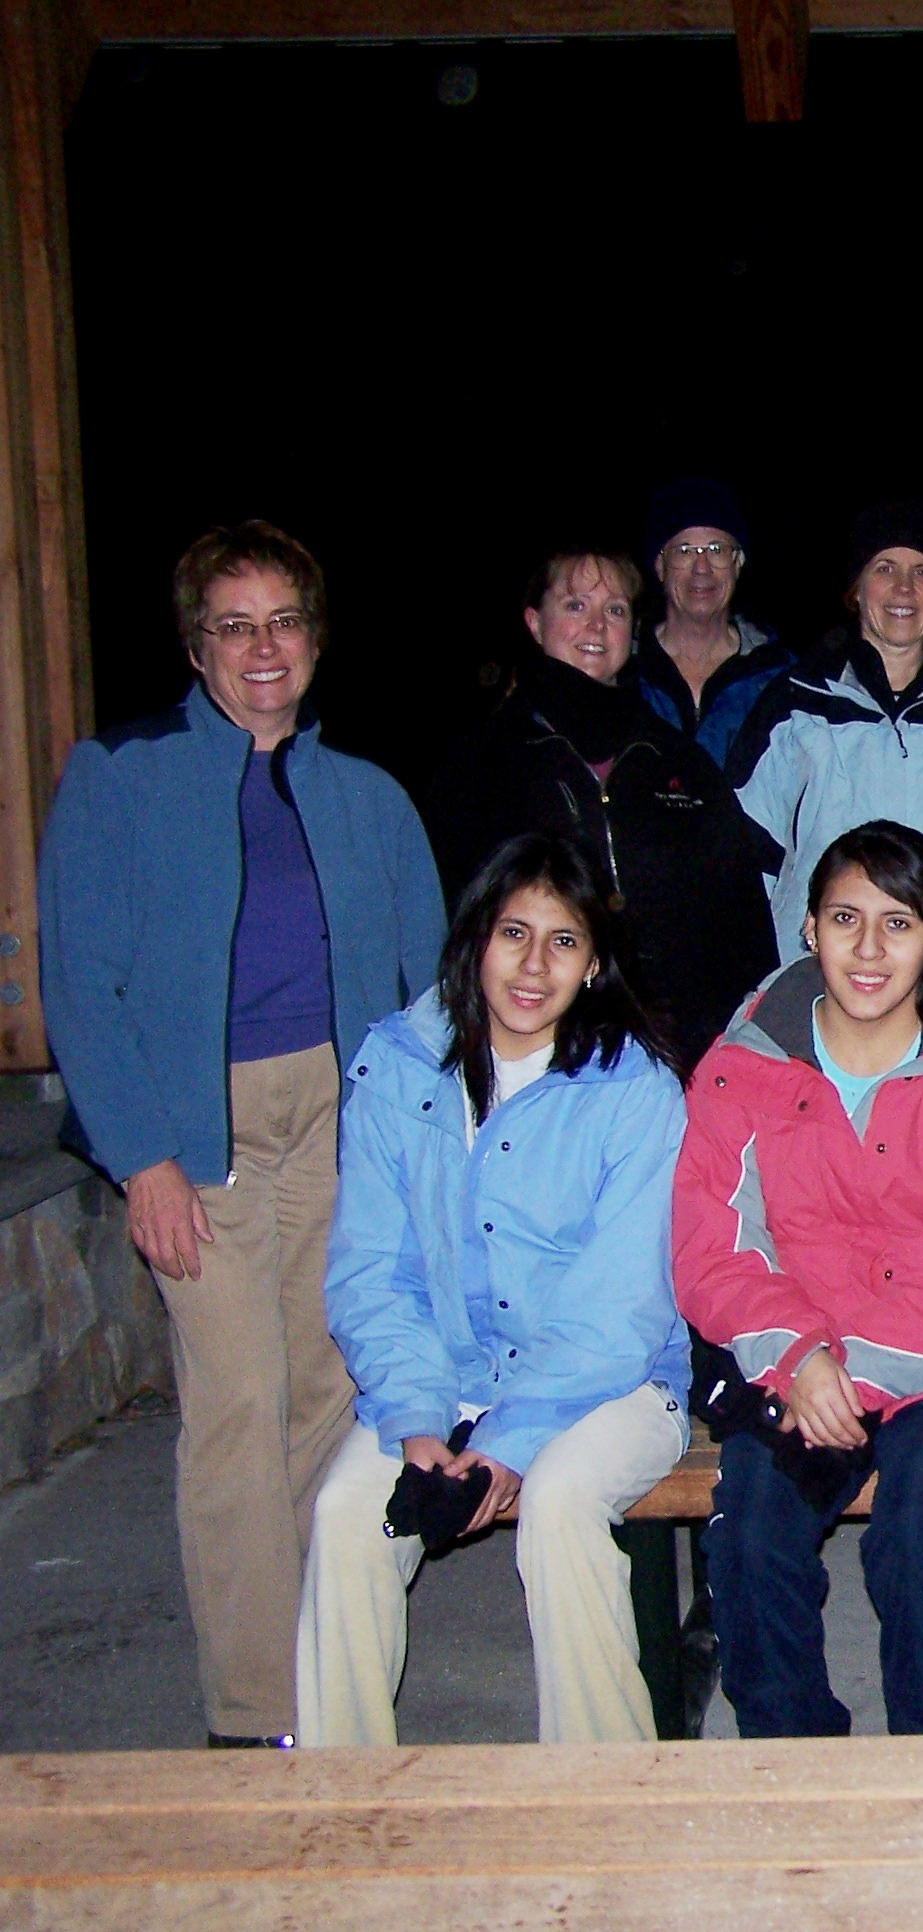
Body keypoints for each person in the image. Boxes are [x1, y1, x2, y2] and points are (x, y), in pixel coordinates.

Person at [36, 521, 445, 1749]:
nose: (262, 647)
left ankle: (328, 1664)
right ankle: (255, 1715)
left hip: (336, 1113)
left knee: (328, 1389)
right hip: (195, 1125)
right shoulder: (120, 777)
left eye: (283, 622)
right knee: (236, 1400)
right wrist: (142, 1158)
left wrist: (417, 1146)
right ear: (196, 647)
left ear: (313, 640)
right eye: (234, 626)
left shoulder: (368, 796)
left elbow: (428, 987)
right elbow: (81, 985)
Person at [297, 835, 693, 1745]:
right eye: (514, 933)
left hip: (610, 1385)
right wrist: (418, 1424)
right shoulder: (400, 1065)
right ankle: (340, 1792)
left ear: (594, 965)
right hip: (446, 1376)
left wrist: (507, 1446)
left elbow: (620, 1309)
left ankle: (601, 1786)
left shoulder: (634, 1091)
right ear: (476, 939)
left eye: (564, 941)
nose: (534, 965)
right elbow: (373, 1270)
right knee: (347, 1514)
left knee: (558, 1504)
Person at [674, 821, 923, 1735]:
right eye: (846, 918)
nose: (871, 949)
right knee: (750, 1531)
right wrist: (800, 1359)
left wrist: (843, 1374)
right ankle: (798, 1761)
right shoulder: (742, 1068)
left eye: (899, 922)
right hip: (795, 1364)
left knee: (917, 1527)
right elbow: (712, 1251)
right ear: (809, 927)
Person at [423, 547, 774, 1068]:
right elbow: (447, 928)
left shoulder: (680, 763)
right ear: (534, 622)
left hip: (676, 1057)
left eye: (614, 609)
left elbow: (742, 924)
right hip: (529, 1051)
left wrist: (747, 1043)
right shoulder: (478, 767)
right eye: (575, 606)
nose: (596, 625)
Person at [731, 503, 923, 1014]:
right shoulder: (796, 701)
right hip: (816, 985)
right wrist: (756, 989)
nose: (904, 588)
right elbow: (748, 861)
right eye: (884, 569)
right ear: (857, 587)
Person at [626, 478, 794, 771]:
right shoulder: (624, 670)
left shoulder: (782, 677)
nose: (701, 568)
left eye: (716, 550)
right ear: (660, 566)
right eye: (684, 550)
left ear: (738, 563)